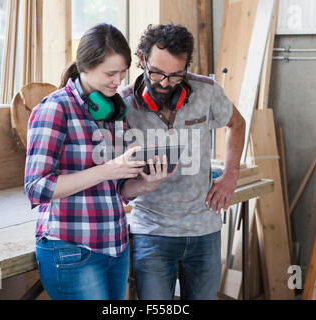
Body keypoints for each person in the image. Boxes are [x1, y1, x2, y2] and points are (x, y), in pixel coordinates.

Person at [24, 23, 174, 300]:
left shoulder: (114, 110)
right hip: (72, 248)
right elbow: (36, 187)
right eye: (110, 73)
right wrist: (108, 169)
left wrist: (145, 185)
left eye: (123, 72)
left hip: (115, 246)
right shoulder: (55, 109)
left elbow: (114, 190)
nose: (118, 81)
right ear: (85, 67)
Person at [120, 24, 246, 300]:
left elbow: (237, 123)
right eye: (156, 73)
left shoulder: (207, 91)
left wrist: (230, 175)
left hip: (204, 230)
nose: (164, 83)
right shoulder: (123, 105)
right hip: (151, 233)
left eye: (175, 76)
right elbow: (116, 179)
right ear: (141, 59)